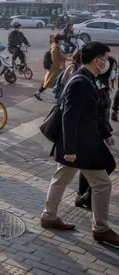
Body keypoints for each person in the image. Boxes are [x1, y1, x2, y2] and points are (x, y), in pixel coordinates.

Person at [40, 42, 119, 247]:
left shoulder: (86, 79)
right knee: (103, 184)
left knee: (61, 179)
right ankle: (100, 229)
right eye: (105, 58)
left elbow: (90, 114)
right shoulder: (80, 81)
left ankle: (49, 216)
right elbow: (70, 117)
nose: (107, 63)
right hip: (80, 145)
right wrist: (71, 149)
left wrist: (105, 133)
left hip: (79, 143)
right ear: (96, 60)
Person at [74, 55, 116, 210]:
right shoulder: (94, 84)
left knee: (88, 167)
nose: (114, 71)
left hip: (97, 131)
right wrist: (105, 133)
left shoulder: (104, 84)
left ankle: (84, 196)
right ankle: (86, 197)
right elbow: (94, 114)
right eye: (112, 68)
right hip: (90, 133)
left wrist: (107, 131)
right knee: (106, 165)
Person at [35, 34, 67, 101]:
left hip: (57, 68)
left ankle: (39, 93)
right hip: (55, 68)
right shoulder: (55, 48)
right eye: (61, 40)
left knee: (51, 82)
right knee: (51, 82)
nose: (62, 41)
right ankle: (59, 97)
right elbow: (54, 59)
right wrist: (59, 66)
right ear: (58, 40)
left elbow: (61, 56)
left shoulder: (57, 46)